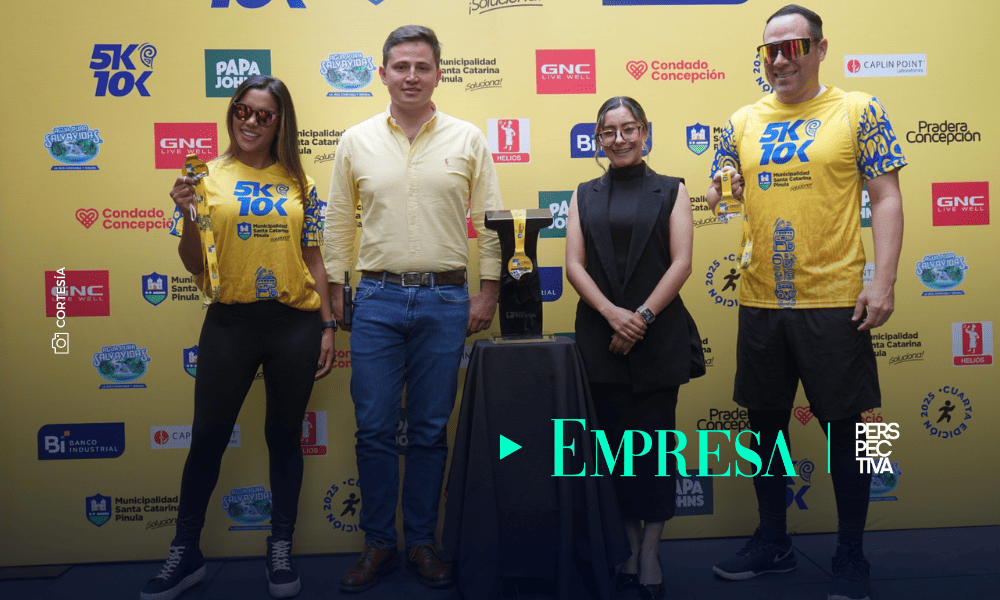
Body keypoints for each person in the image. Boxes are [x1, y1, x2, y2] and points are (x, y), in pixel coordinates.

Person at [706, 5, 906, 600]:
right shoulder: (741, 120)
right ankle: (774, 541)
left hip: (836, 299)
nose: (780, 59)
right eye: (770, 49)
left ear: (820, 49)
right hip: (761, 299)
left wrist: (884, 280)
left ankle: (852, 553)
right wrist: (721, 187)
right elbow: (720, 187)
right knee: (764, 429)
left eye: (794, 46)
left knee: (852, 434)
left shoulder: (859, 110)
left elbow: (886, 197)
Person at [324, 25, 503, 593]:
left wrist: (489, 290)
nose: (411, 76)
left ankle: (422, 542)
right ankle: (379, 544)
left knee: (428, 430)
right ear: (382, 74)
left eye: (422, 67)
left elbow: (492, 221)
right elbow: (338, 222)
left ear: (438, 74)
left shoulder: (468, 138)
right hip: (375, 300)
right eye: (400, 66)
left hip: (446, 299)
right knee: (374, 429)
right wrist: (334, 290)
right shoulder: (354, 140)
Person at [141, 75, 334, 600]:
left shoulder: (302, 182)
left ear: (280, 123)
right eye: (241, 110)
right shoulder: (204, 177)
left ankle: (280, 549)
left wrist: (327, 325)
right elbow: (192, 263)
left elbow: (314, 258)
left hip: (294, 324)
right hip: (230, 323)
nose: (249, 122)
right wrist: (187, 216)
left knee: (284, 437)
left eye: (263, 115)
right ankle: (185, 552)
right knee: (207, 437)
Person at [566, 96, 702, 600]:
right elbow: (574, 265)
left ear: (644, 132)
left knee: (654, 450)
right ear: (598, 139)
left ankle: (650, 552)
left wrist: (640, 318)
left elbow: (682, 263)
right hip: (601, 339)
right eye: (609, 131)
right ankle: (628, 545)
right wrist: (612, 315)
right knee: (614, 452)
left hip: (657, 339)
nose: (619, 139)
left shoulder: (672, 189)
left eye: (629, 129)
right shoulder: (583, 193)